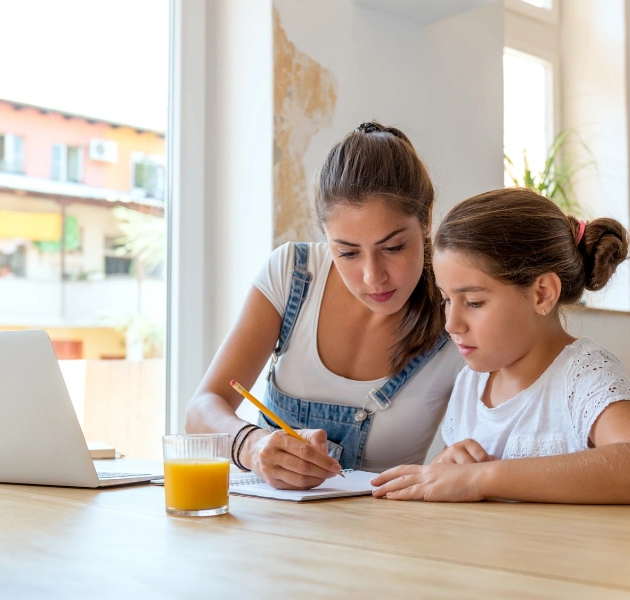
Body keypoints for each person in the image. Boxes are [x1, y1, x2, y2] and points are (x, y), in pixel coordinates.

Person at [186, 122, 465, 490]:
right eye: (347, 253)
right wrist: (252, 446)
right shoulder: (292, 274)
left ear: (426, 219)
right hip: (268, 533)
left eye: (393, 248)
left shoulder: (459, 311)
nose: (372, 277)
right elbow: (201, 409)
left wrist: (460, 465)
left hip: (385, 537)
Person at [371, 188, 630, 504]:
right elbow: (460, 483)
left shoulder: (582, 375)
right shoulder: (470, 383)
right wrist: (447, 466)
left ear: (542, 294)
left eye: (475, 302)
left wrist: (482, 478)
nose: (452, 324)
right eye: (447, 300)